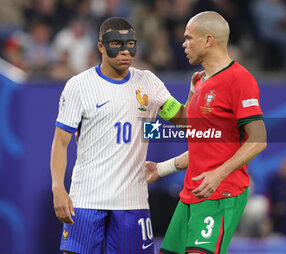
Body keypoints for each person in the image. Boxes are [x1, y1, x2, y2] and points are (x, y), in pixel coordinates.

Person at [50, 17, 196, 254]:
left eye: (130, 44)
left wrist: (192, 94)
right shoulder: (79, 86)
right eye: (116, 44)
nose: (125, 51)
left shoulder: (149, 82)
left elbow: (185, 123)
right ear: (101, 46)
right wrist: (58, 188)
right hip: (87, 199)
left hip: (132, 201)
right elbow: (60, 142)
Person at [146, 11, 267, 254]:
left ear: (208, 40)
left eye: (189, 37)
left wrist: (218, 174)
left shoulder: (239, 79)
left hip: (221, 192)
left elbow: (258, 139)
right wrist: (162, 168)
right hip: (192, 193)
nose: (183, 44)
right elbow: (199, 138)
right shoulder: (201, 80)